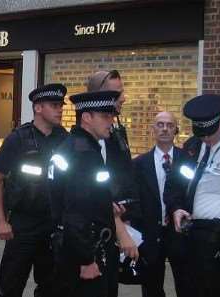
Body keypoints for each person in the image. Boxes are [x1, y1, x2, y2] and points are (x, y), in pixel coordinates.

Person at [0, 83, 68, 297]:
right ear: (38, 108)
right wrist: (0, 221)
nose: (60, 109)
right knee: (11, 285)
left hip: (53, 223)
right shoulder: (18, 138)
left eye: (61, 105)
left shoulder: (64, 139)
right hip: (23, 224)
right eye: (54, 105)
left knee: (51, 286)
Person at [50, 90, 120, 297]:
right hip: (84, 248)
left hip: (72, 244)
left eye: (112, 116)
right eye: (105, 117)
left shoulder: (74, 146)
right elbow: (76, 211)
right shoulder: (84, 154)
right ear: (87, 118)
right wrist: (87, 260)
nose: (111, 122)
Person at [166, 94, 220, 297]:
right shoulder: (191, 147)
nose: (206, 138)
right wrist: (176, 209)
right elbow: (174, 186)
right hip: (192, 235)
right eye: (201, 133)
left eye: (210, 133)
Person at [87, 70, 139, 296]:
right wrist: (120, 229)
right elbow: (93, 191)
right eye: (118, 93)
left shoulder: (115, 131)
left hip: (113, 228)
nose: (123, 98)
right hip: (93, 235)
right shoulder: (87, 141)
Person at [132, 112, 189, 297]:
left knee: (186, 284)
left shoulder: (188, 160)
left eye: (170, 125)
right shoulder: (139, 164)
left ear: (176, 131)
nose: (165, 129)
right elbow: (135, 198)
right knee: (151, 288)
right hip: (150, 234)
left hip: (180, 234)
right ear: (153, 130)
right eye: (160, 124)